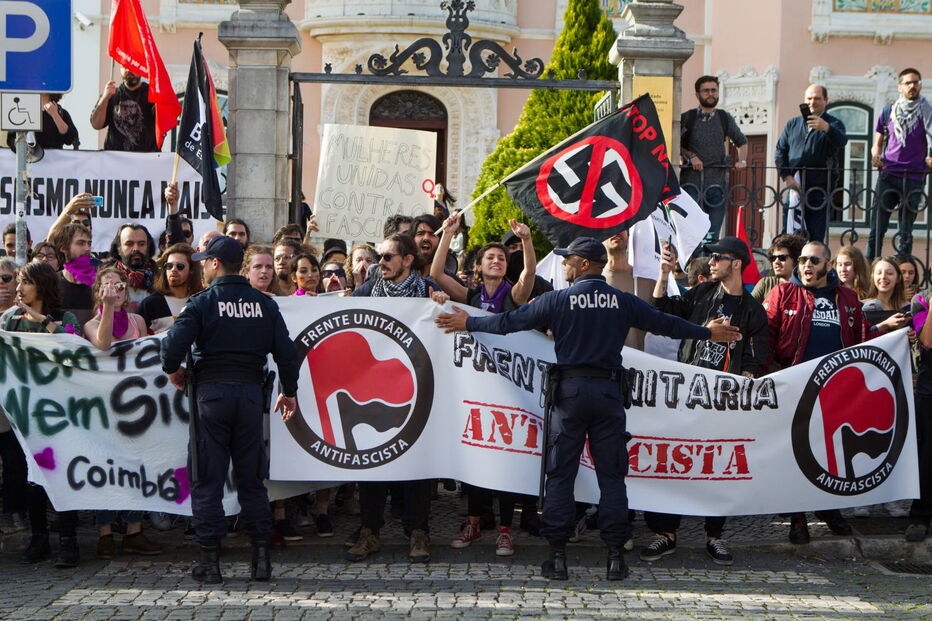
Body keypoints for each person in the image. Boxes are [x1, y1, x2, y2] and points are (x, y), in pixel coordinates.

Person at [435, 237, 742, 581]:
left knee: (561, 475)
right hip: (609, 395)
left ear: (583, 264)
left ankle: (558, 557)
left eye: (568, 259)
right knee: (611, 478)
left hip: (569, 395)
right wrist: (706, 332)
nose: (564, 264)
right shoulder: (622, 301)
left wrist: (469, 323)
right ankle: (615, 558)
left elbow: (508, 322)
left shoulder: (557, 299)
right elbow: (664, 324)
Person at [160, 235, 299, 583]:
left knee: (207, 480)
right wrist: (290, 392)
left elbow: (170, 352)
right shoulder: (264, 304)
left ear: (216, 264)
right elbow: (286, 353)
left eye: (205, 261)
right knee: (252, 481)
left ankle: (210, 562)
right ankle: (261, 560)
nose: (203, 266)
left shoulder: (202, 302)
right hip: (252, 397)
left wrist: (175, 370)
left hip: (212, 397)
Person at [763, 241, 909, 543]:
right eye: (803, 259)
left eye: (814, 260)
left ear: (827, 265)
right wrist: (766, 377)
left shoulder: (847, 297)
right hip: (795, 386)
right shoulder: (782, 293)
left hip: (835, 390)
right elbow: (768, 337)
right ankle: (798, 516)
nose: (806, 265)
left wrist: (883, 332)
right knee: (796, 452)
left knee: (829, 454)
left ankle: (829, 509)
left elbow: (860, 339)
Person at [643, 237, 766, 566]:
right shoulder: (701, 294)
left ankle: (715, 536)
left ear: (736, 263)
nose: (711, 262)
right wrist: (663, 274)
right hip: (686, 394)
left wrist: (747, 381)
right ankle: (665, 534)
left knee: (717, 468)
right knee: (673, 461)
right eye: (710, 257)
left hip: (723, 403)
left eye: (718, 257)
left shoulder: (753, 310)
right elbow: (660, 314)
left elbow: (755, 359)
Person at [432, 215, 537, 557]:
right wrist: (447, 234)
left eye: (501, 258)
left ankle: (505, 530)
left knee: (504, 463)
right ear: (478, 266)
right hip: (474, 392)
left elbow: (528, 277)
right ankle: (475, 521)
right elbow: (436, 276)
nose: (496, 260)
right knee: (475, 462)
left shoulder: (513, 295)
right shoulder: (471, 296)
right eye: (490, 257)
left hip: (508, 394)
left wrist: (526, 241)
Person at [346, 233, 446, 564]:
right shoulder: (366, 291)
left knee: (417, 461)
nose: (381, 262)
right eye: (379, 257)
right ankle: (369, 531)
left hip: (418, 390)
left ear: (407, 260)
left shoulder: (428, 291)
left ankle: (418, 531)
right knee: (372, 460)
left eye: (388, 257)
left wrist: (442, 304)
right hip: (373, 391)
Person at [1, 262, 82, 567]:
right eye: (18, 281)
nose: (18, 288)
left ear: (42, 285)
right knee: (30, 478)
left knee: (61, 477)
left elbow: (74, 345)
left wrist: (42, 320)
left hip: (61, 414)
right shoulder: (10, 321)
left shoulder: (64, 317)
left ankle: (68, 541)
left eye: (25, 282)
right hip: (25, 413)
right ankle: (39, 539)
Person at [82, 268, 163, 558]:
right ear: (97, 293)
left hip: (138, 406)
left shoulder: (138, 320)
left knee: (137, 464)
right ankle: (105, 533)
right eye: (107, 286)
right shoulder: (92, 323)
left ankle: (134, 530)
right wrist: (107, 308)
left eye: (119, 287)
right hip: (105, 407)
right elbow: (103, 344)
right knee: (106, 467)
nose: (114, 291)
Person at [867, 68, 932, 261]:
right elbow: (876, 144)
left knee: (906, 231)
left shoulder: (927, 112)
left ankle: (903, 270)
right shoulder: (888, 111)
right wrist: (875, 155)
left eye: (916, 82)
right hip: (889, 174)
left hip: (914, 177)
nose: (913, 86)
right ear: (899, 87)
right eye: (908, 83)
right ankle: (870, 267)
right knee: (877, 228)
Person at [680, 76, 749, 244]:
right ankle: (692, 268)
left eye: (713, 90)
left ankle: (708, 268)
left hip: (717, 184)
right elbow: (675, 144)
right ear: (697, 94)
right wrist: (691, 156)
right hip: (691, 184)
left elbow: (741, 141)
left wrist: (743, 161)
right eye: (706, 90)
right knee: (691, 232)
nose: (710, 94)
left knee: (712, 236)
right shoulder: (687, 118)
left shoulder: (724, 118)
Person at [775, 84, 848, 242]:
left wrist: (826, 128)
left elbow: (842, 141)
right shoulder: (793, 124)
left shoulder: (833, 123)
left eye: (816, 98)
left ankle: (812, 265)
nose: (812, 102)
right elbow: (780, 151)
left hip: (819, 190)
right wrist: (786, 177)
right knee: (790, 236)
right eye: (809, 98)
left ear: (825, 100)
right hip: (795, 188)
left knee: (815, 236)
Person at [0, 258, 27, 533]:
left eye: (7, 278)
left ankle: (14, 511)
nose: (1, 283)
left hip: (16, 405)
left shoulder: (23, 317)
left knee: (15, 462)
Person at [908, 288, 932, 542]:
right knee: (927, 458)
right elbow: (927, 341)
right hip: (929, 391)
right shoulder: (921, 301)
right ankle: (920, 516)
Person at [138, 244, 203, 333]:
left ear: (191, 270)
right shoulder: (149, 304)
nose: (173, 269)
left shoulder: (200, 302)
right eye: (169, 266)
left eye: (180, 266)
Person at [90, 66, 158, 152]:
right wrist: (105, 98)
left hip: (147, 159)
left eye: (133, 65)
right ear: (120, 69)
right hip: (115, 159)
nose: (129, 70)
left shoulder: (153, 95)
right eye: (125, 67)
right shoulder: (111, 95)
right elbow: (96, 125)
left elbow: (166, 120)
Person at [50, 222, 95, 327]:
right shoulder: (51, 282)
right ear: (63, 248)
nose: (87, 248)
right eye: (80, 243)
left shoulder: (100, 282)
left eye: (89, 243)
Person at [106, 224, 156, 312]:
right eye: (129, 244)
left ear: (148, 247)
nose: (136, 249)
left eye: (141, 244)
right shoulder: (106, 277)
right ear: (118, 248)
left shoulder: (161, 277)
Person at [6, 93, 78, 151]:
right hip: (29, 164)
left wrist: (55, 115)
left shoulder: (61, 112)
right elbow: (11, 140)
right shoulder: (22, 112)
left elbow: (70, 139)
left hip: (53, 165)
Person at [751, 233, 806, 302]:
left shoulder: (805, 285)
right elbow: (748, 307)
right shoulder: (766, 283)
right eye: (773, 258)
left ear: (795, 259)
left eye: (782, 258)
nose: (776, 262)